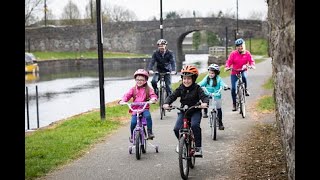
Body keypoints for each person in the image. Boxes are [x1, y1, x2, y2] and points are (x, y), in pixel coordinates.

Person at [163, 65, 209, 156]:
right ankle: (182, 143)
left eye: (189, 79)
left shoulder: (197, 88)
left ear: (193, 79)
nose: (186, 81)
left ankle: (198, 148)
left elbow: (204, 97)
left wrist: (205, 103)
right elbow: (172, 96)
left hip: (195, 110)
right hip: (184, 111)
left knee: (195, 126)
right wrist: (166, 103)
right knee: (177, 129)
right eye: (184, 78)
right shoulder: (180, 88)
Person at [119, 69, 158, 141]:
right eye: (137, 79)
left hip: (144, 108)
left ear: (145, 81)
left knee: (148, 116)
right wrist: (123, 100)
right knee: (133, 123)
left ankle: (150, 132)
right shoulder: (133, 89)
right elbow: (127, 95)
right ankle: (132, 135)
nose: (139, 81)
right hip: (135, 109)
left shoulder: (148, 89)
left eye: (141, 80)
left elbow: (153, 95)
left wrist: (153, 99)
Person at [225, 38, 255, 111]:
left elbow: (251, 61)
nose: (240, 47)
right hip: (234, 72)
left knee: (244, 77)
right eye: (238, 46)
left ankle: (245, 89)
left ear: (243, 45)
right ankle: (234, 104)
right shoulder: (233, 54)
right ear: (236, 47)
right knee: (233, 89)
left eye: (241, 45)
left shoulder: (247, 53)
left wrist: (252, 65)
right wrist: (227, 67)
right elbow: (229, 62)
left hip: (243, 70)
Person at [198, 64, 227, 130]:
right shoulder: (207, 78)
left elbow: (222, 84)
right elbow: (202, 83)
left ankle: (220, 123)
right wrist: (197, 85)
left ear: (216, 73)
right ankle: (205, 111)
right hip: (207, 94)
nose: (210, 74)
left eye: (212, 73)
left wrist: (225, 86)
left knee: (219, 109)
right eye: (209, 73)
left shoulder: (219, 79)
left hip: (216, 95)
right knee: (205, 101)